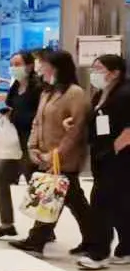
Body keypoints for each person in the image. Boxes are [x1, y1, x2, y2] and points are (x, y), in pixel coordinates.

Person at [10, 49, 92, 256]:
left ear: (56, 67)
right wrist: (32, 147)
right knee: (68, 198)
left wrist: (56, 154)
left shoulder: (74, 93)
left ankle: (37, 239)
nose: (39, 68)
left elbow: (76, 129)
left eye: (43, 64)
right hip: (45, 155)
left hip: (64, 157)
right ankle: (93, 239)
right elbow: (37, 122)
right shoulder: (47, 92)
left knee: (57, 196)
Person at [78, 55, 130, 270]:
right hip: (102, 154)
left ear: (115, 72)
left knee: (101, 203)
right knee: (120, 204)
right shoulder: (101, 93)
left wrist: (116, 146)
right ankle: (127, 248)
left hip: (119, 157)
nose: (94, 73)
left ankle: (99, 253)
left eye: (99, 69)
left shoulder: (125, 93)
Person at [0, 50, 42, 240]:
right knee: (1, 180)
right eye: (11, 64)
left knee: (37, 186)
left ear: (30, 65)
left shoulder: (38, 87)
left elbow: (39, 115)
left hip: (31, 143)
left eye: (17, 64)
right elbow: (11, 106)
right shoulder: (15, 85)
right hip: (14, 142)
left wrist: (15, 115)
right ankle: (7, 224)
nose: (13, 68)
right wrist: (7, 112)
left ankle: (43, 229)